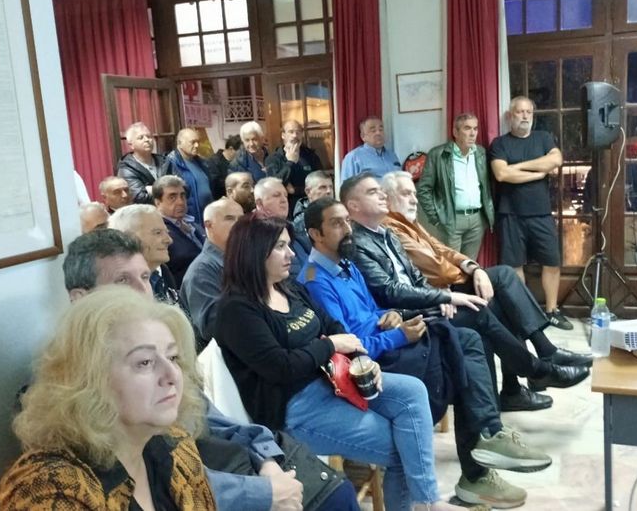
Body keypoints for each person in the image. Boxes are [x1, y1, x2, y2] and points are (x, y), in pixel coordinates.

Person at [60, 227, 357, 511]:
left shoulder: (160, 350)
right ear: (80, 299)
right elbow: (156, 479)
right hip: (207, 489)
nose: (141, 291)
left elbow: (215, 421)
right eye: (123, 281)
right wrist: (264, 492)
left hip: (232, 466)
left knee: (337, 492)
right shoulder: (71, 388)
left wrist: (268, 460)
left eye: (145, 277)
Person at [300, 198, 556, 508]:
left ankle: (487, 444)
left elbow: (372, 311)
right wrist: (398, 334)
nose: (347, 229)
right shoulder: (315, 281)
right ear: (315, 234)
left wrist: (393, 314)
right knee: (462, 350)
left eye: (346, 221)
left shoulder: (347, 264)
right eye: (336, 223)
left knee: (470, 340)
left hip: (390, 339)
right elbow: (349, 345)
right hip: (373, 363)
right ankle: (483, 452)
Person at [215, 215, 468, 511]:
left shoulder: (288, 288)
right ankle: (426, 504)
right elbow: (282, 367)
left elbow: (333, 326)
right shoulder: (236, 310)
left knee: (413, 391)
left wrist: (361, 360)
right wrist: (331, 345)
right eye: (281, 247)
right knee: (404, 447)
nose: (292, 253)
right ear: (254, 252)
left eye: (289, 244)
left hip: (334, 379)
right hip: (295, 407)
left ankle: (426, 502)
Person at [342, 173, 589, 397]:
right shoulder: (383, 230)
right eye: (406, 194)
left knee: (496, 301)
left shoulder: (390, 232)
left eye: (414, 193)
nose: (414, 200)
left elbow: (437, 255)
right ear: (354, 206)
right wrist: (446, 294)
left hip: (432, 295)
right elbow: (421, 276)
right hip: (410, 311)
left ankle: (520, 384)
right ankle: (537, 368)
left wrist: (473, 268)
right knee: (494, 292)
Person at [0, 286, 216, 509]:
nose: (172, 375)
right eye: (145, 362)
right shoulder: (50, 493)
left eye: (173, 357)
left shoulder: (176, 446)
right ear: (90, 380)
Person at [490, 96, 573, 330]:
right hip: (510, 214)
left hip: (541, 213)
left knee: (552, 262)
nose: (525, 116)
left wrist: (517, 166)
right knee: (515, 266)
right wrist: (538, 173)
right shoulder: (500, 143)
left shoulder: (543, 138)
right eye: (520, 112)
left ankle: (552, 311)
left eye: (529, 112)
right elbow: (502, 174)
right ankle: (523, 314)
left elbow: (555, 160)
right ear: (510, 116)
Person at [416, 113, 495, 259]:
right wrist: (436, 219)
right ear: (455, 132)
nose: (473, 133)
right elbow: (423, 189)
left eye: (475, 128)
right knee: (450, 266)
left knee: (470, 265)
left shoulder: (480, 153)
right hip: (451, 220)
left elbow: (488, 186)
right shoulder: (438, 154)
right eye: (467, 128)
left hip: (477, 220)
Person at [181, 198, 244, 344]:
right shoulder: (201, 271)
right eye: (229, 218)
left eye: (241, 219)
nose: (238, 225)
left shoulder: (245, 260)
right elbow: (212, 327)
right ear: (208, 225)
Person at [109, 205, 177, 299]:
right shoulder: (119, 288)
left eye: (167, 232)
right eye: (157, 233)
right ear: (127, 238)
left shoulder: (162, 271)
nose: (169, 240)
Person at [153, 175, 206, 287]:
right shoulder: (157, 232)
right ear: (158, 202)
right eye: (172, 197)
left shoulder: (193, 224)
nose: (181, 202)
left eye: (182, 196)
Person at [254, 177, 311, 276]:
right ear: (260, 204)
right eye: (276, 195)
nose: (284, 200)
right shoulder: (252, 236)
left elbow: (312, 267)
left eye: (286, 195)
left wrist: (314, 282)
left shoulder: (294, 232)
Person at [265, 120, 323, 215]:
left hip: (311, 208)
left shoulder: (311, 156)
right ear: (283, 135)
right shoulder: (273, 159)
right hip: (286, 211)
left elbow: (320, 183)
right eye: (291, 132)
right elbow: (274, 185)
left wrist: (295, 190)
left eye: (298, 132)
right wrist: (290, 162)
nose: (295, 135)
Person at [162, 127, 214, 226]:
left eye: (198, 142)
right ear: (180, 143)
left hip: (206, 217)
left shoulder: (200, 162)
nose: (197, 145)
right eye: (193, 142)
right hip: (188, 220)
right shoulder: (171, 163)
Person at [117, 122, 166, 205]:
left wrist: (150, 189)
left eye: (149, 136)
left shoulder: (164, 160)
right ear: (131, 145)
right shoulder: (126, 168)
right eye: (141, 138)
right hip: (145, 211)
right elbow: (140, 197)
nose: (147, 140)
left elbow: (181, 186)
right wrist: (168, 191)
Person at [340, 116, 401, 182]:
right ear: (363, 136)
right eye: (373, 131)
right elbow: (347, 186)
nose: (378, 133)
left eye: (381, 129)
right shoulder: (353, 158)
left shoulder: (392, 155)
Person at [292, 170, 334, 236]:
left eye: (331, 187)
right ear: (308, 192)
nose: (329, 191)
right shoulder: (301, 222)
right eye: (323, 187)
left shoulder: (340, 212)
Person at [207, 134, 242, 199]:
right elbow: (216, 184)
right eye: (240, 152)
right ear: (231, 149)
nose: (241, 155)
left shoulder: (239, 162)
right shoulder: (213, 161)